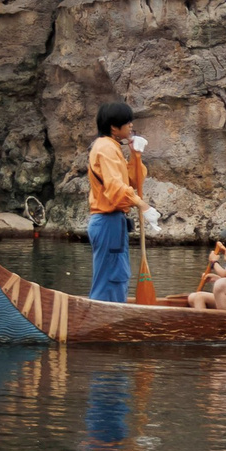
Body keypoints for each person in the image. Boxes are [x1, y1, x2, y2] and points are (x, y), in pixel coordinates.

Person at [84, 100, 146, 304]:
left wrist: (135, 156)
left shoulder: (113, 148)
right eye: (127, 123)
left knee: (117, 275)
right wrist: (141, 204)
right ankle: (102, 321)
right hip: (107, 220)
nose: (131, 127)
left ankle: (109, 315)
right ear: (114, 127)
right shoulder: (105, 149)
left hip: (113, 221)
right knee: (113, 276)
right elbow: (116, 189)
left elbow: (134, 181)